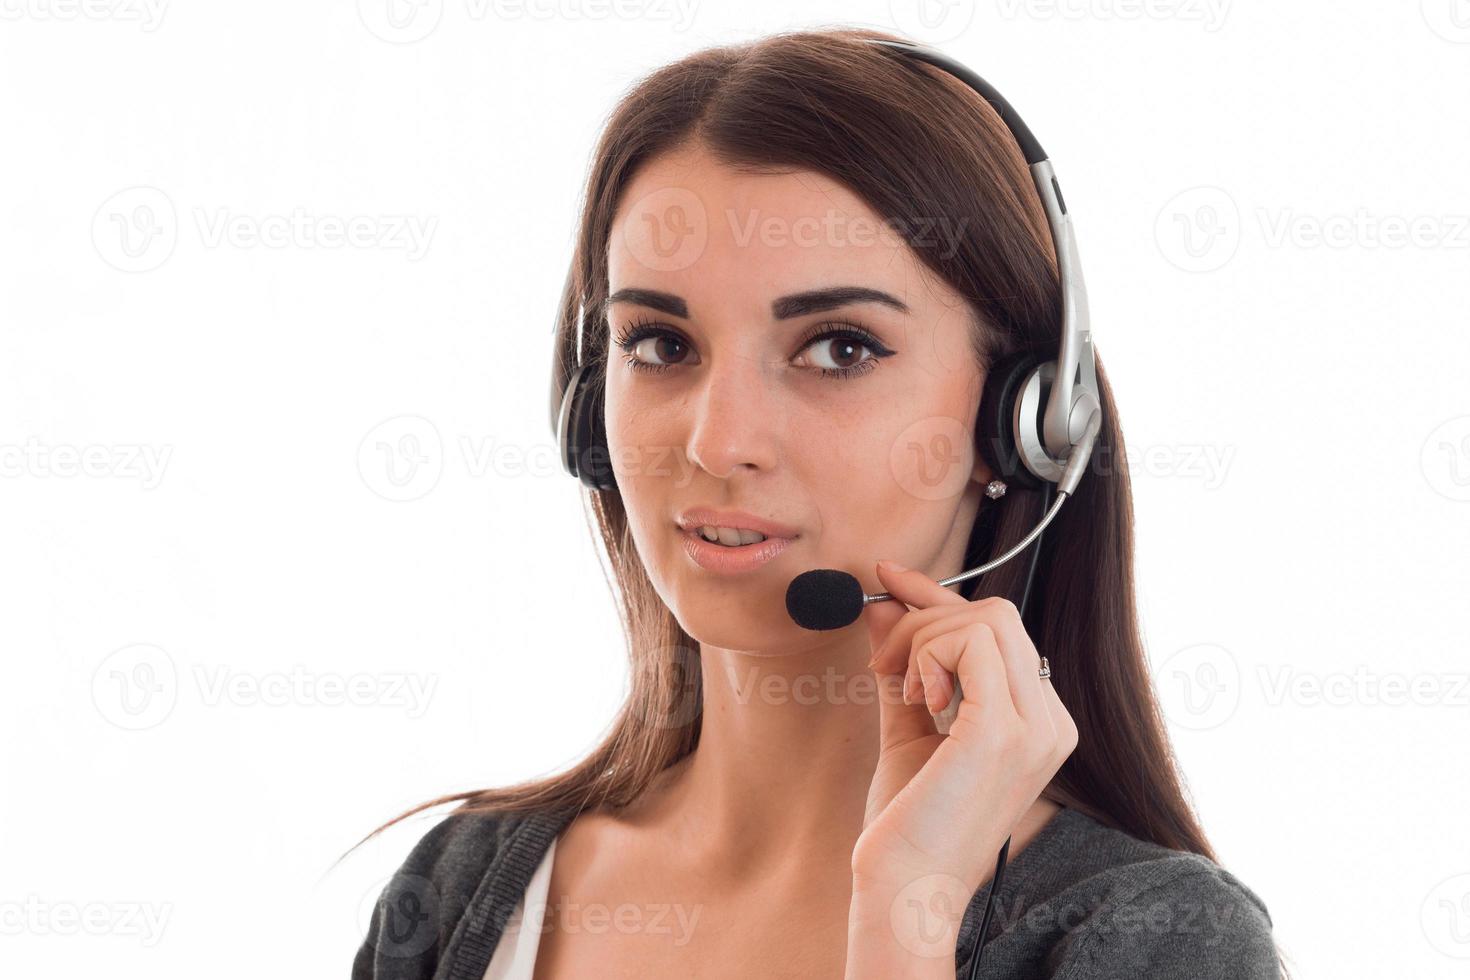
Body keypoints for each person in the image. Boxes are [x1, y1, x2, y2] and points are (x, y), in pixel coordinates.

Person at [350, 26, 1286, 979]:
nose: (719, 442)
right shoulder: (464, 891)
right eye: (661, 344)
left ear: (1026, 417)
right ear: (587, 403)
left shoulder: (1150, 941)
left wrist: (905, 919)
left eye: (840, 348)